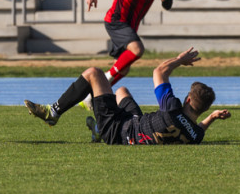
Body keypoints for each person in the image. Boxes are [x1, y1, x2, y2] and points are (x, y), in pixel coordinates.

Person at [23, 0, 174, 126]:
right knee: (137, 50)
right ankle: (91, 94)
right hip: (116, 20)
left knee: (124, 67)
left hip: (130, 27)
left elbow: (168, 5)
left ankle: (82, 110)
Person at [78, 46, 230, 146]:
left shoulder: (172, 108)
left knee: (116, 91)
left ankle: (100, 127)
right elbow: (199, 128)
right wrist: (213, 117)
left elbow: (159, 72)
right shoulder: (195, 136)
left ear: (188, 99)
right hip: (140, 124)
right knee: (122, 91)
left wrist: (179, 60)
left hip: (127, 131)